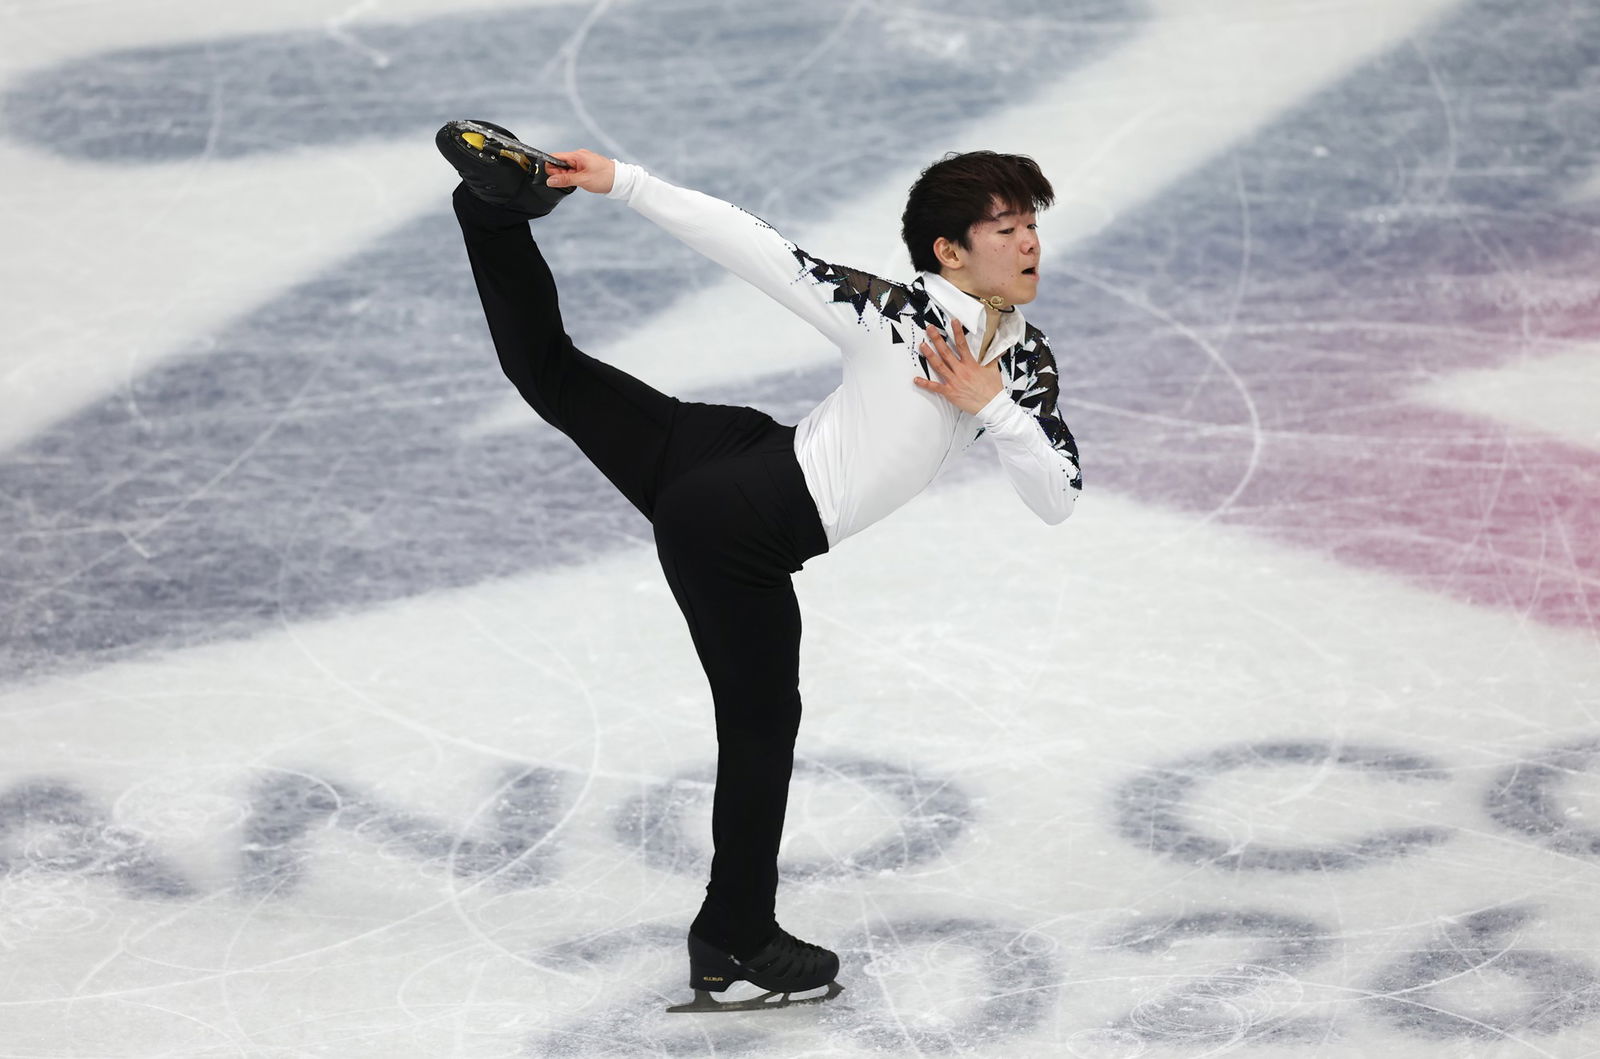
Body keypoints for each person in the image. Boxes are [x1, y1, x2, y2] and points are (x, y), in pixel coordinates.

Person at [436, 120, 1081, 1012]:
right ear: (951, 252)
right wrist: (620, 181)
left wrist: (994, 406)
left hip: (729, 450)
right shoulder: (898, 318)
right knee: (761, 724)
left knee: (553, 375)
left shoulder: (1023, 363)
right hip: (741, 526)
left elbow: (1057, 494)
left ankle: (490, 213)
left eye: (1032, 223)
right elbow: (762, 251)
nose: (1029, 241)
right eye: (1006, 227)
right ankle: (734, 932)